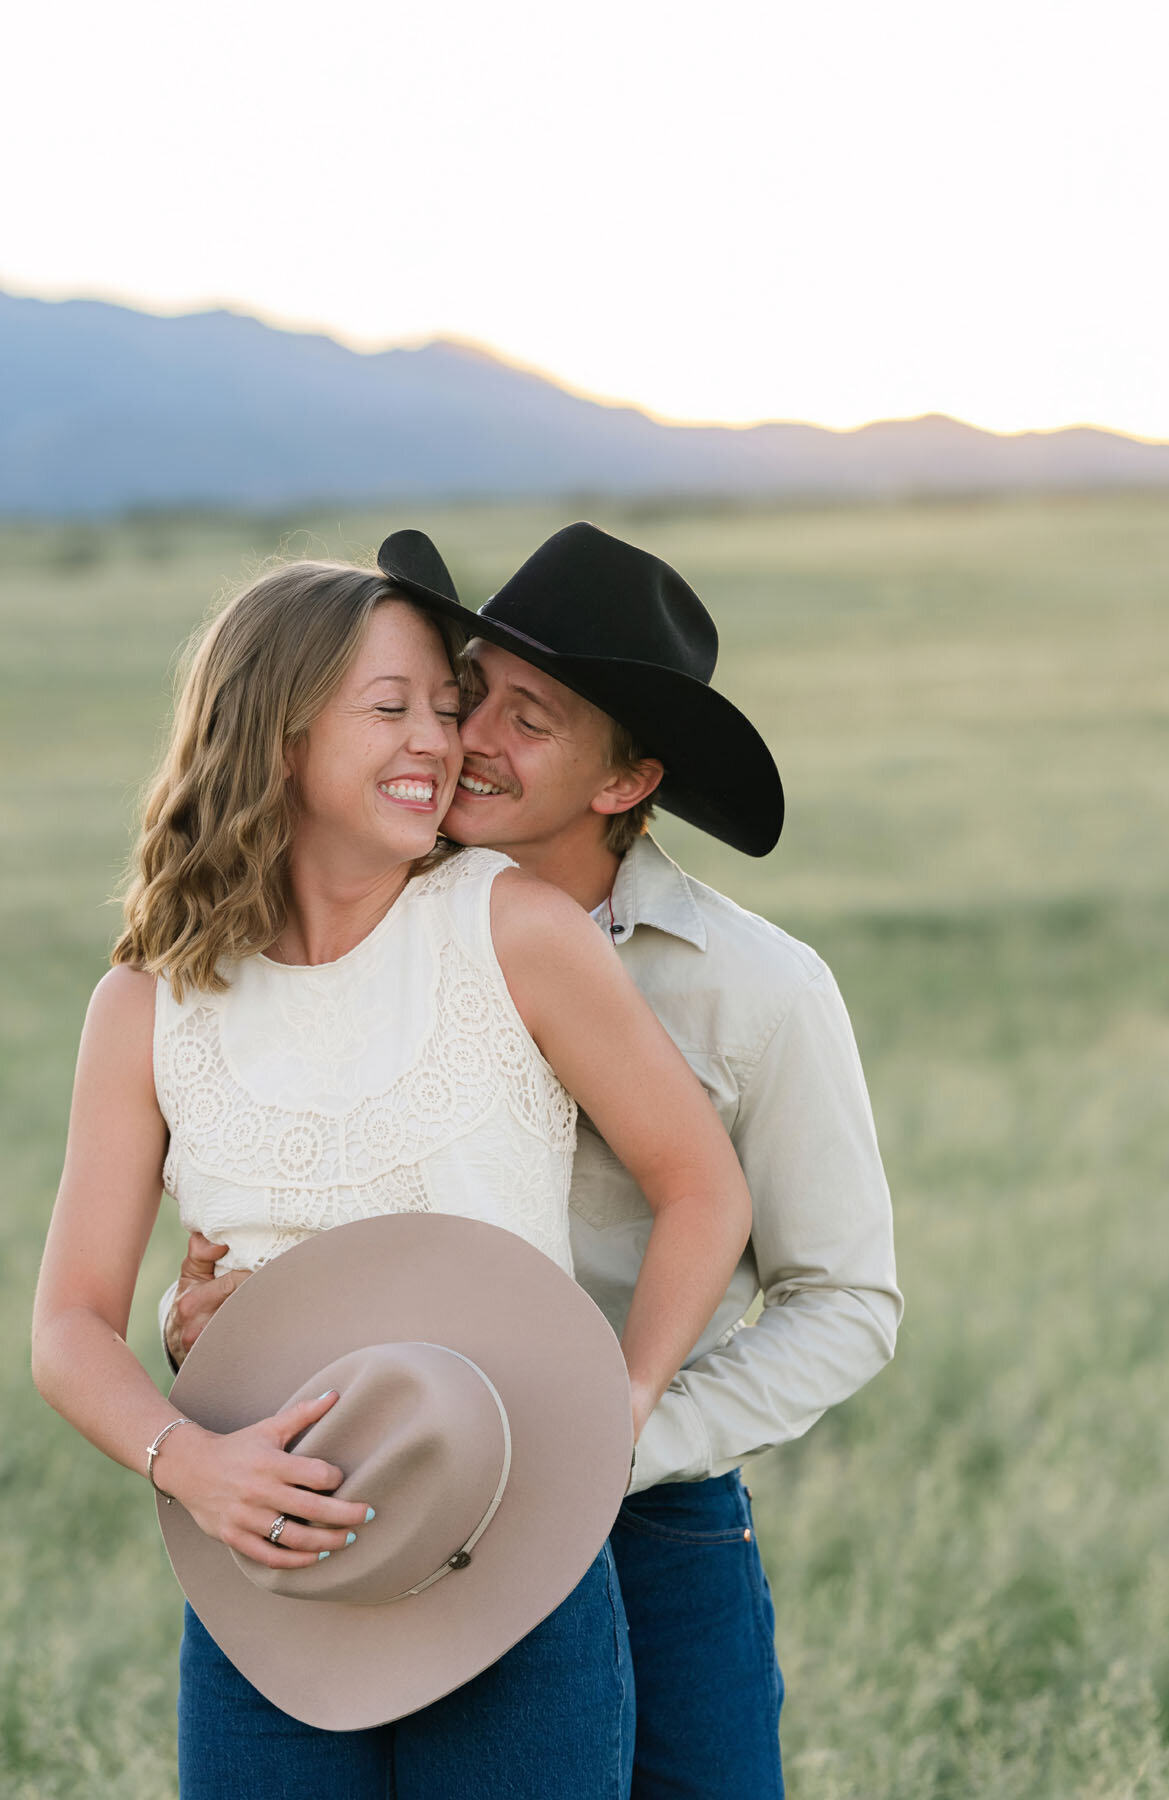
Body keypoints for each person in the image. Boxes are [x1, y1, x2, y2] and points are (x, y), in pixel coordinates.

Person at [168, 524, 904, 1800]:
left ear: (624, 784)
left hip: (654, 1512)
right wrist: (212, 1323)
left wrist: (625, 1430)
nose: (468, 740)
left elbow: (847, 1303)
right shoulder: (359, 930)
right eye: (469, 695)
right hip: (400, 1476)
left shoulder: (759, 990)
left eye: (532, 718)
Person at [31, 553, 756, 1800]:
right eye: (392, 707)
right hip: (270, 1585)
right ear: (275, 732)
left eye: (445, 701)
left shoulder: (511, 927)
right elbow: (66, 1325)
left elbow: (705, 1189)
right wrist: (188, 1462)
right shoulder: (145, 1005)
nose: (441, 739)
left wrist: (623, 1400)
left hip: (514, 1559)